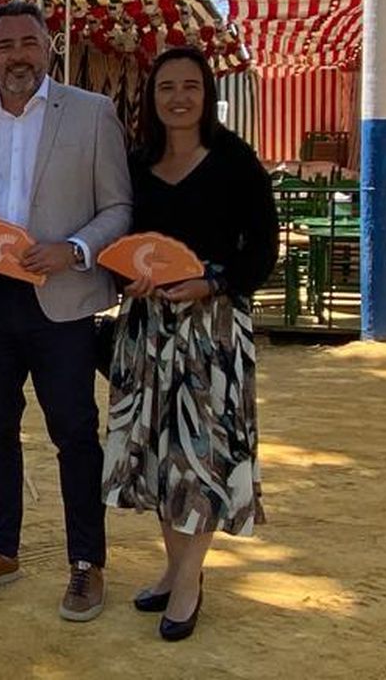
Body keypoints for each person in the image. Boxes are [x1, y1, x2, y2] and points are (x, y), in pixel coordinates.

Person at [0, 0, 132, 620]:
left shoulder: (93, 114)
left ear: (48, 48)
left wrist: (74, 249)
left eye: (28, 42)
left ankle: (87, 563)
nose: (17, 55)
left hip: (63, 301)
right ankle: (2, 550)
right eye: (4, 45)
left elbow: (118, 207)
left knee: (74, 433)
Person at [102, 47, 277, 641]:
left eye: (190, 86)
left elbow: (263, 250)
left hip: (212, 331)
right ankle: (177, 569)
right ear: (151, 97)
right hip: (146, 330)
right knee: (157, 455)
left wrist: (212, 281)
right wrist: (124, 278)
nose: (178, 97)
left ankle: (187, 584)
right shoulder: (135, 164)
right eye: (166, 87)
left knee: (199, 457)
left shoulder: (235, 161)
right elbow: (120, 241)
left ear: (206, 94)